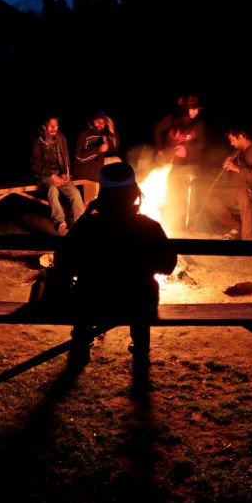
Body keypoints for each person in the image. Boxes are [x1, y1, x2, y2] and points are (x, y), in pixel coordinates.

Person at [54, 161, 178, 379]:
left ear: (103, 194)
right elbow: (167, 266)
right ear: (134, 193)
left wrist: (84, 219)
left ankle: (81, 343)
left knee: (84, 291)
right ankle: (141, 350)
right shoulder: (149, 226)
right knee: (143, 291)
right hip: (137, 303)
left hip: (93, 301)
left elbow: (63, 262)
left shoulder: (87, 226)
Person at [191, 127, 252, 240]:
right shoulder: (238, 151)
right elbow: (231, 174)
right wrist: (227, 165)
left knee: (246, 200)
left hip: (248, 187)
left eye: (232, 139)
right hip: (233, 188)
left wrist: (238, 168)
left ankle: (249, 237)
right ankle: (235, 225)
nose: (231, 143)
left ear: (241, 137)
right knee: (212, 200)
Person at [152, 95, 207, 234]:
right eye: (194, 109)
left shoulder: (198, 125)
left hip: (191, 163)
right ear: (186, 109)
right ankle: (172, 221)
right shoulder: (171, 120)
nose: (197, 112)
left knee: (191, 195)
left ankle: (191, 225)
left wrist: (186, 149)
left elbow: (201, 144)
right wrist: (160, 149)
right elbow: (158, 130)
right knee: (172, 193)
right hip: (174, 164)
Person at [31, 115, 85, 235]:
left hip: (60, 175)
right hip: (45, 176)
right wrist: (53, 176)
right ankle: (60, 224)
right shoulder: (38, 142)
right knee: (53, 190)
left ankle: (81, 222)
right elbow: (36, 166)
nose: (53, 128)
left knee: (75, 192)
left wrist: (65, 173)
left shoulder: (61, 137)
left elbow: (65, 158)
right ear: (44, 127)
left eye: (55, 125)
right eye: (50, 125)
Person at [73, 110, 121, 210]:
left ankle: (113, 202)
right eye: (98, 122)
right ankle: (101, 204)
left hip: (97, 165)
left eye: (103, 123)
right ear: (92, 121)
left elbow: (114, 148)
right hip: (83, 168)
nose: (100, 125)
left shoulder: (102, 135)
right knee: (110, 174)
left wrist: (112, 131)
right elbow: (80, 157)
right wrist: (98, 150)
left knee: (117, 161)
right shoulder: (84, 134)